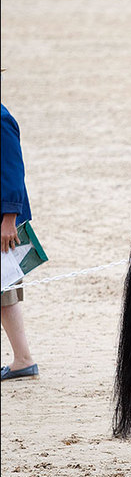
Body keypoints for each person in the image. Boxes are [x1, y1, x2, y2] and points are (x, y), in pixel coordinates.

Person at [1, 98, 39, 382]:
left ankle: (23, 359)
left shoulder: (1, 118)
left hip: (2, 221)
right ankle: (22, 358)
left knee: (5, 290)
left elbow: (13, 171)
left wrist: (9, 219)